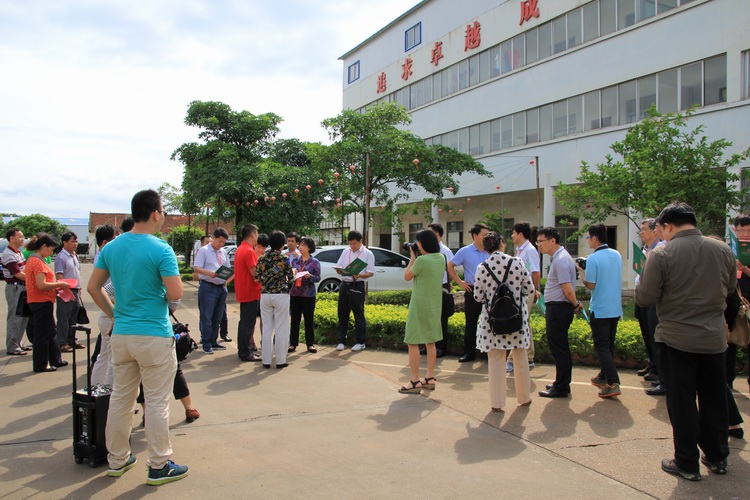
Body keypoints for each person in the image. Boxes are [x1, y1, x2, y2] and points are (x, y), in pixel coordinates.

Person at [87, 189, 188, 485]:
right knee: (156, 401)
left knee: (121, 398)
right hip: (153, 335)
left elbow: (93, 288)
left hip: (122, 334)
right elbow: (176, 292)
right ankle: (159, 464)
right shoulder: (161, 249)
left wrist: (115, 315)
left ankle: (117, 459)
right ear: (156, 213)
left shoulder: (112, 248)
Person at [635, 202, 735, 481]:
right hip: (713, 339)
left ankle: (687, 462)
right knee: (715, 398)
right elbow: (730, 290)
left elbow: (644, 297)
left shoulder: (662, 253)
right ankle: (717, 457)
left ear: (667, 226)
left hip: (676, 339)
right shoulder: (723, 249)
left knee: (682, 401)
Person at [473, 232, 534, 410]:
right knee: (520, 358)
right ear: (501, 243)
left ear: (485, 249)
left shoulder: (482, 267)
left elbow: (478, 297)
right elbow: (529, 289)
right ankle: (524, 398)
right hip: (516, 320)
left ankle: (497, 403)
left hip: (493, 322)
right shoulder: (517, 262)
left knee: (495, 361)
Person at [577, 224, 623, 398]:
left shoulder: (593, 259)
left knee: (602, 347)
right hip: (615, 308)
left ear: (595, 238)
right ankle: (603, 376)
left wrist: (581, 271)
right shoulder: (616, 254)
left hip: (600, 308)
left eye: (588, 237)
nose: (588, 240)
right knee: (609, 345)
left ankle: (613, 382)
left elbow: (591, 284)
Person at [536, 227, 581, 398]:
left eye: (541, 241)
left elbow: (567, 289)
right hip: (557, 307)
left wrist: (575, 304)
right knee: (560, 347)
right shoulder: (559, 257)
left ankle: (561, 386)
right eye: (538, 242)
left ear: (552, 240)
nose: (539, 245)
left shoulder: (561, 260)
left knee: (559, 349)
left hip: (559, 308)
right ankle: (561, 383)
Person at [398, 230, 444, 393]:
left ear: (422, 243)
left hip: (419, 305)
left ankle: (415, 380)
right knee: (430, 341)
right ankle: (430, 377)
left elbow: (407, 276)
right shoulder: (441, 258)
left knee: (413, 341)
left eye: (417, 242)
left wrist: (412, 257)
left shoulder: (421, 260)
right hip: (435, 305)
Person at [25, 233, 70, 372]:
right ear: (44, 246)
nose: (51, 252)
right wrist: (59, 284)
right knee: (42, 334)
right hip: (41, 302)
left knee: (51, 332)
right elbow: (42, 284)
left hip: (42, 301)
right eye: (51, 249)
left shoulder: (35, 260)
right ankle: (41, 365)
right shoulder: (37, 262)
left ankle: (55, 359)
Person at [447, 223, 490, 362]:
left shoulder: (491, 250)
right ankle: (469, 353)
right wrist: (460, 282)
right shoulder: (465, 251)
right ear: (475, 235)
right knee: (471, 322)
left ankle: (489, 353)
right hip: (472, 290)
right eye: (484, 235)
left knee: (490, 322)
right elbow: (450, 266)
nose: (486, 237)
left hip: (490, 291)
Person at [635, 218, 666, 395]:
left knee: (655, 336)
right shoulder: (644, 250)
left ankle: (661, 374)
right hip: (643, 295)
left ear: (655, 231)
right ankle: (652, 365)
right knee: (646, 332)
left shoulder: (661, 250)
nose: (641, 232)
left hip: (653, 297)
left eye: (644, 229)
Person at [256, 230, 295, 368]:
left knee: (266, 328)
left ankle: (266, 361)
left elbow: (257, 277)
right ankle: (280, 360)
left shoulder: (262, 258)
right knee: (281, 328)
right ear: (282, 244)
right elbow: (291, 278)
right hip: (281, 294)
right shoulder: (284, 259)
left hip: (265, 294)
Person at [507, 221, 541, 372]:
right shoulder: (521, 250)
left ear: (520, 234)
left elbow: (536, 273)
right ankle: (529, 357)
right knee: (524, 323)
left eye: (513, 233)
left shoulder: (529, 250)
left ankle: (512, 359)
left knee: (519, 323)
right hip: (520, 292)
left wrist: (533, 290)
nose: (512, 236)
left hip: (525, 292)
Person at [193, 228, 232, 354]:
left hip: (221, 287)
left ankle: (214, 341)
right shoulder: (204, 251)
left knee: (218, 317)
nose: (221, 244)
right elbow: (196, 267)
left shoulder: (223, 252)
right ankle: (206, 343)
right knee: (207, 316)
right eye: (219, 241)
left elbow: (227, 268)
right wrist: (210, 273)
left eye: (223, 242)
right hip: (208, 286)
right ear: (213, 238)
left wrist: (226, 279)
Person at [335, 230, 375, 352]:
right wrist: (339, 270)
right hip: (344, 284)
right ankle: (342, 341)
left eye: (354, 244)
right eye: (350, 243)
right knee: (342, 313)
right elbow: (339, 266)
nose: (352, 246)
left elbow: (370, 272)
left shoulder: (368, 254)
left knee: (358, 313)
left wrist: (359, 275)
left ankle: (360, 341)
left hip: (357, 284)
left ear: (360, 241)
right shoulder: (345, 251)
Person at [90, 224, 117, 386]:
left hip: (106, 312)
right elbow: (102, 290)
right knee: (114, 360)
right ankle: (107, 393)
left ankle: (96, 389)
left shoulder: (103, 256)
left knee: (104, 356)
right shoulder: (107, 258)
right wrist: (113, 314)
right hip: (110, 312)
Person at [234, 224, 262, 362]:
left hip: (244, 290)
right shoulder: (249, 251)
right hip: (250, 291)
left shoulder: (240, 248)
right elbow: (255, 274)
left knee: (244, 322)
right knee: (248, 324)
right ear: (252, 234)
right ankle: (245, 352)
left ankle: (244, 350)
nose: (257, 236)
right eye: (257, 233)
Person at [289, 237, 321, 353]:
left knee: (308, 319)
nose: (300, 247)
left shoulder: (315, 262)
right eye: (300, 245)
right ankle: (293, 343)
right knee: (295, 319)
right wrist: (293, 275)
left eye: (304, 245)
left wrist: (309, 277)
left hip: (308, 294)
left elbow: (317, 278)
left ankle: (310, 344)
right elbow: (289, 275)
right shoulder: (295, 261)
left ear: (309, 248)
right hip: (295, 293)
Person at [3, 227, 32, 355]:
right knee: (15, 318)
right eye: (20, 237)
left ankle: (18, 343)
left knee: (23, 317)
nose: (22, 239)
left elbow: (24, 269)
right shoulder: (8, 254)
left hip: (22, 287)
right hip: (15, 287)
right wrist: (34, 279)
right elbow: (19, 274)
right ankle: (12, 346)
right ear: (11, 238)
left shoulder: (18, 252)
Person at [427, 222, 453, 358]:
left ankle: (441, 347)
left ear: (438, 235)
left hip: (441, 287)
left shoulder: (445, 251)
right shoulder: (426, 250)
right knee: (429, 318)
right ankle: (428, 345)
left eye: (430, 233)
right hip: (428, 288)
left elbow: (451, 270)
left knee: (441, 319)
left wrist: (448, 284)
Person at [55, 231, 83, 352]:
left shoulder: (75, 255)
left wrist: (79, 287)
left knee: (73, 317)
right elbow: (59, 275)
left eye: (76, 241)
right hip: (66, 291)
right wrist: (65, 291)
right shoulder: (61, 257)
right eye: (72, 241)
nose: (75, 244)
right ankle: (62, 342)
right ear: (65, 242)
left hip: (75, 290)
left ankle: (72, 339)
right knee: (63, 318)